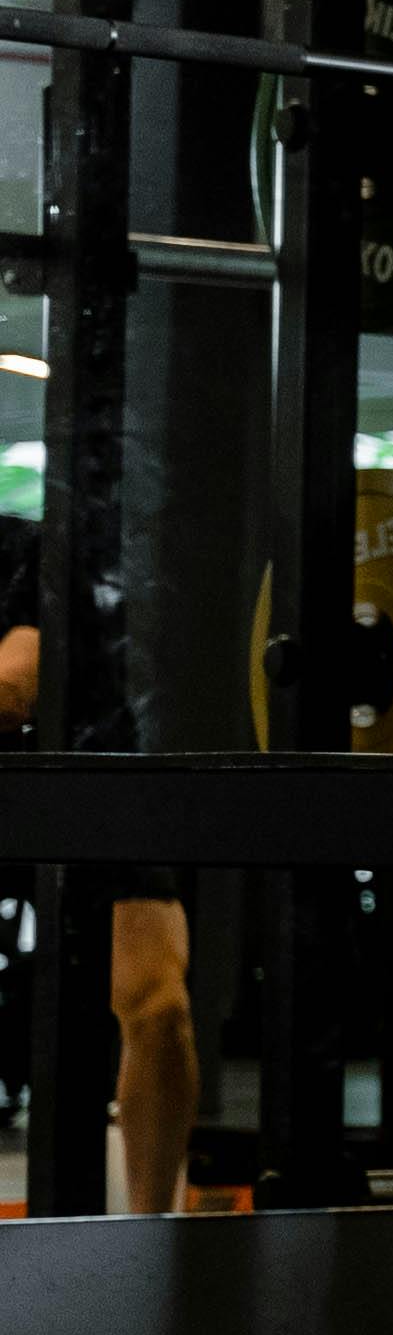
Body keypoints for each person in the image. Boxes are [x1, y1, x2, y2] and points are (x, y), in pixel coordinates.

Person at [0, 511, 195, 1216]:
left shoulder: (28, 553)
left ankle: (151, 1231)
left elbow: (15, 688)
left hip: (79, 776)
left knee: (158, 1006)